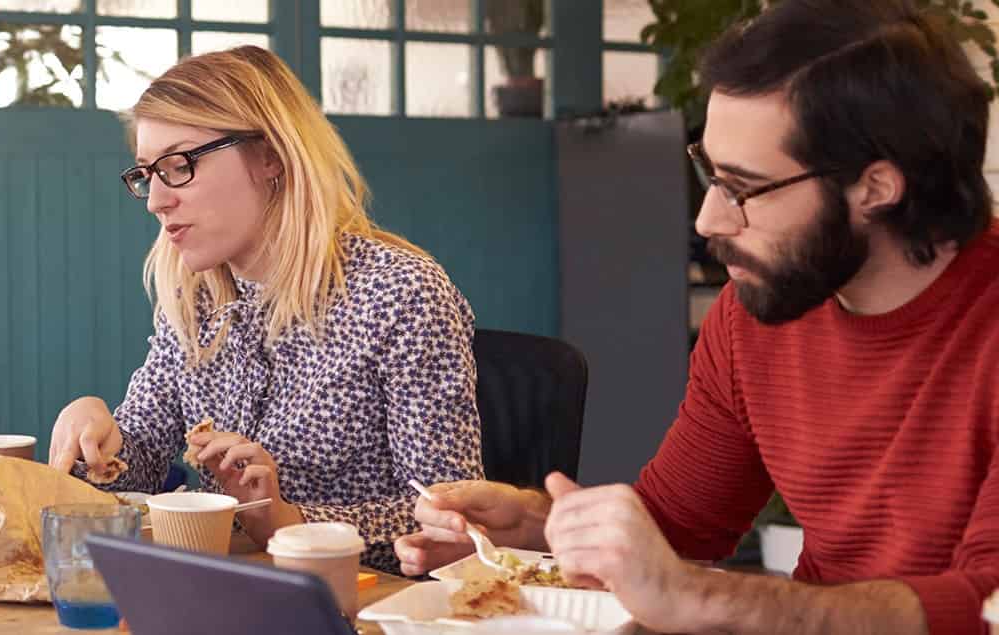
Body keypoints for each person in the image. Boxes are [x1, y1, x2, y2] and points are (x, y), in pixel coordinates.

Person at [397, 1, 999, 633]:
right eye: (709, 172)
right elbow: (680, 525)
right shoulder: (754, 316)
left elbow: (986, 607)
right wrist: (538, 530)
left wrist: (708, 600)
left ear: (876, 187)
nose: (709, 220)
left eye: (743, 187)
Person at [47, 46, 482, 574]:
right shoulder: (193, 296)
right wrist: (99, 435)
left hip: (363, 607)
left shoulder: (400, 292)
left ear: (270, 155)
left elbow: (451, 520)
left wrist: (288, 521)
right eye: (146, 174)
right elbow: (139, 464)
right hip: (225, 589)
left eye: (179, 165)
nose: (157, 200)